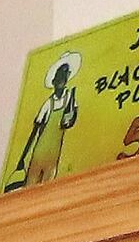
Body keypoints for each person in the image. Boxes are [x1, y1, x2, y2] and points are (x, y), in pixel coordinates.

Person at [6, 52, 82, 192]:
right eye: (59, 77)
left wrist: (70, 117)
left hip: (54, 154)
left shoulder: (70, 98)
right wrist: (22, 158)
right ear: (53, 82)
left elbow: (71, 119)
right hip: (39, 153)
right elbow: (35, 131)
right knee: (30, 189)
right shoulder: (48, 103)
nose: (61, 80)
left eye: (64, 77)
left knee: (48, 190)